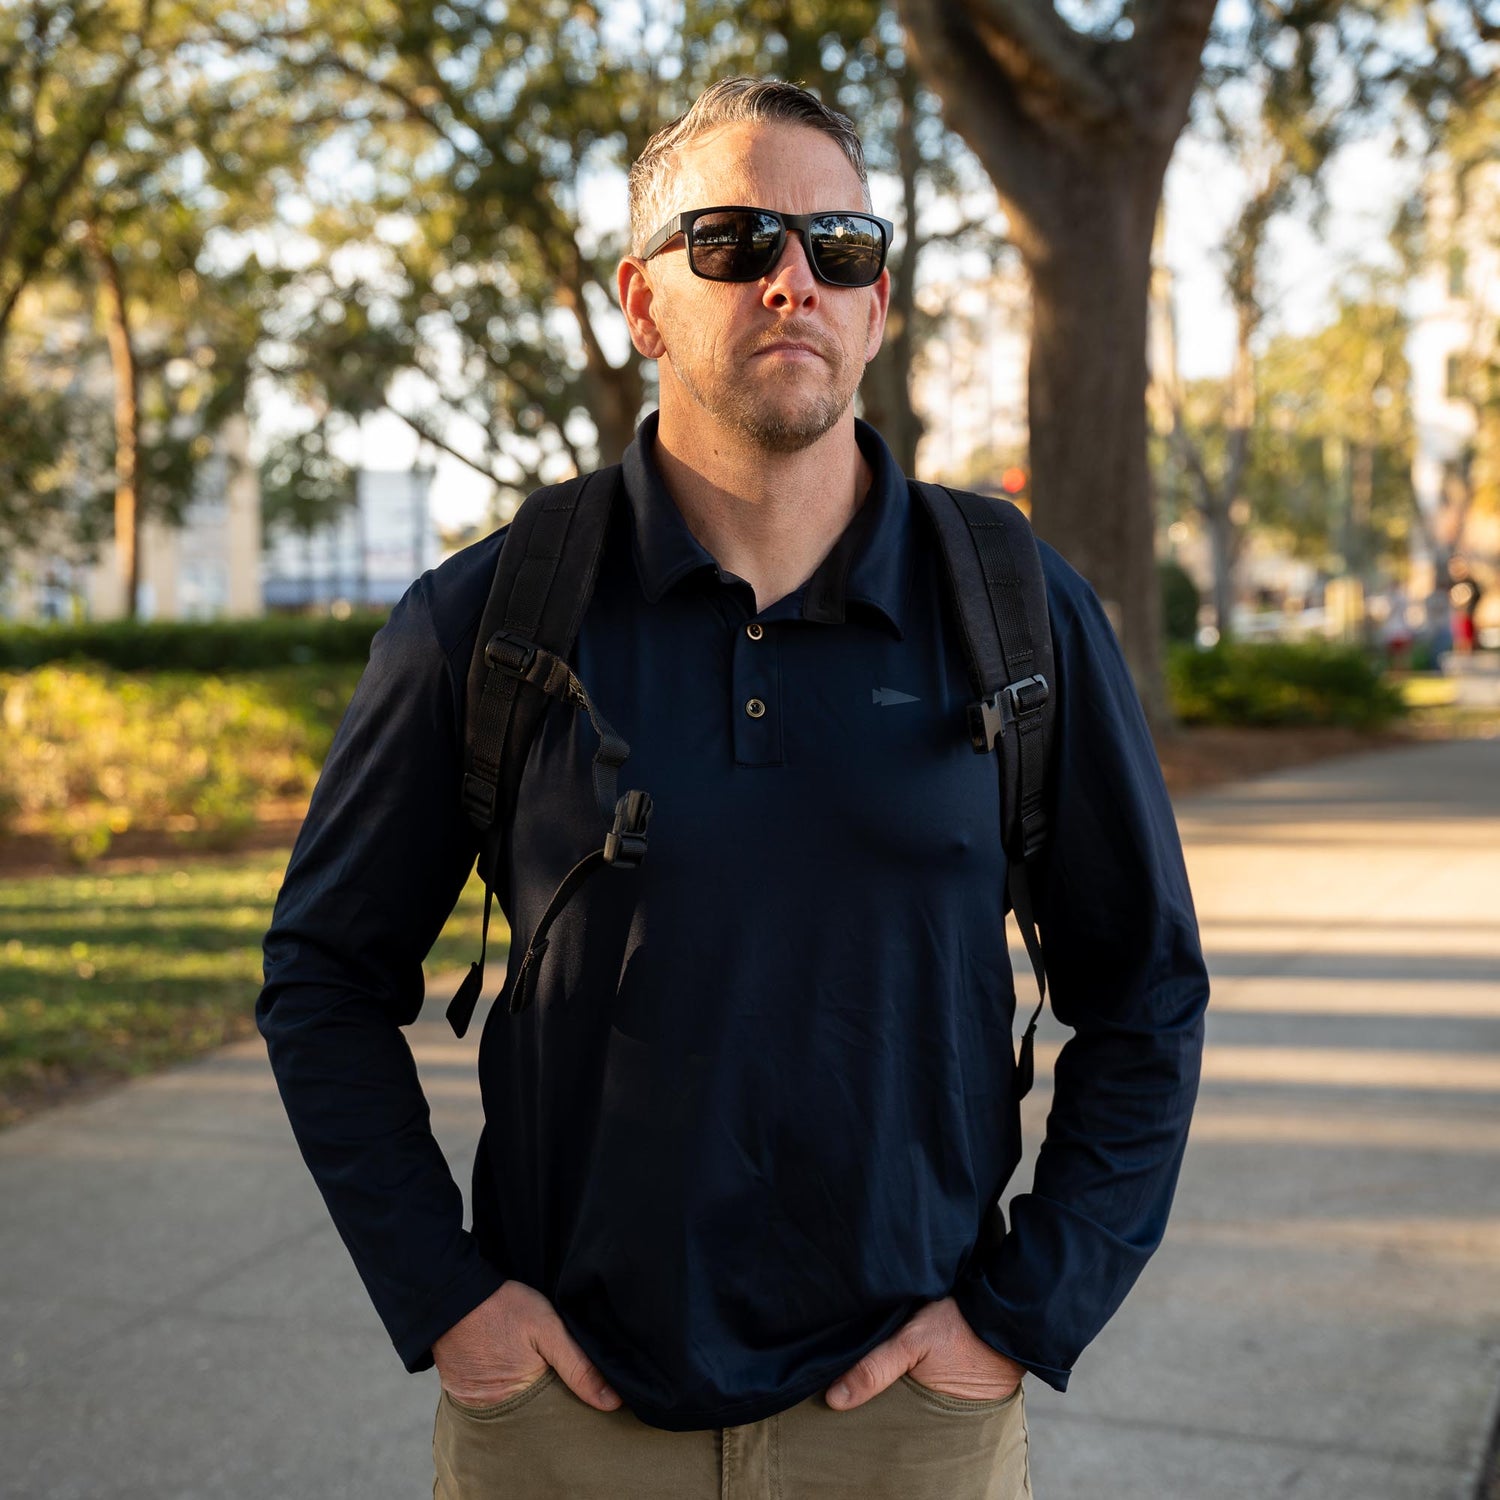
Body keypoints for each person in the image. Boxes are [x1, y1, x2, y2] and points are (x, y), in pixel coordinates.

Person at [258, 77, 1209, 1500]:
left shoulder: (1017, 611)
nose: (792, 280)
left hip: (911, 1430)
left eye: (841, 246)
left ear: (876, 310)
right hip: (565, 1427)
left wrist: (1022, 1316)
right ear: (642, 303)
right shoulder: (489, 620)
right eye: (735, 240)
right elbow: (323, 978)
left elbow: (1147, 992)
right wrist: (448, 1301)